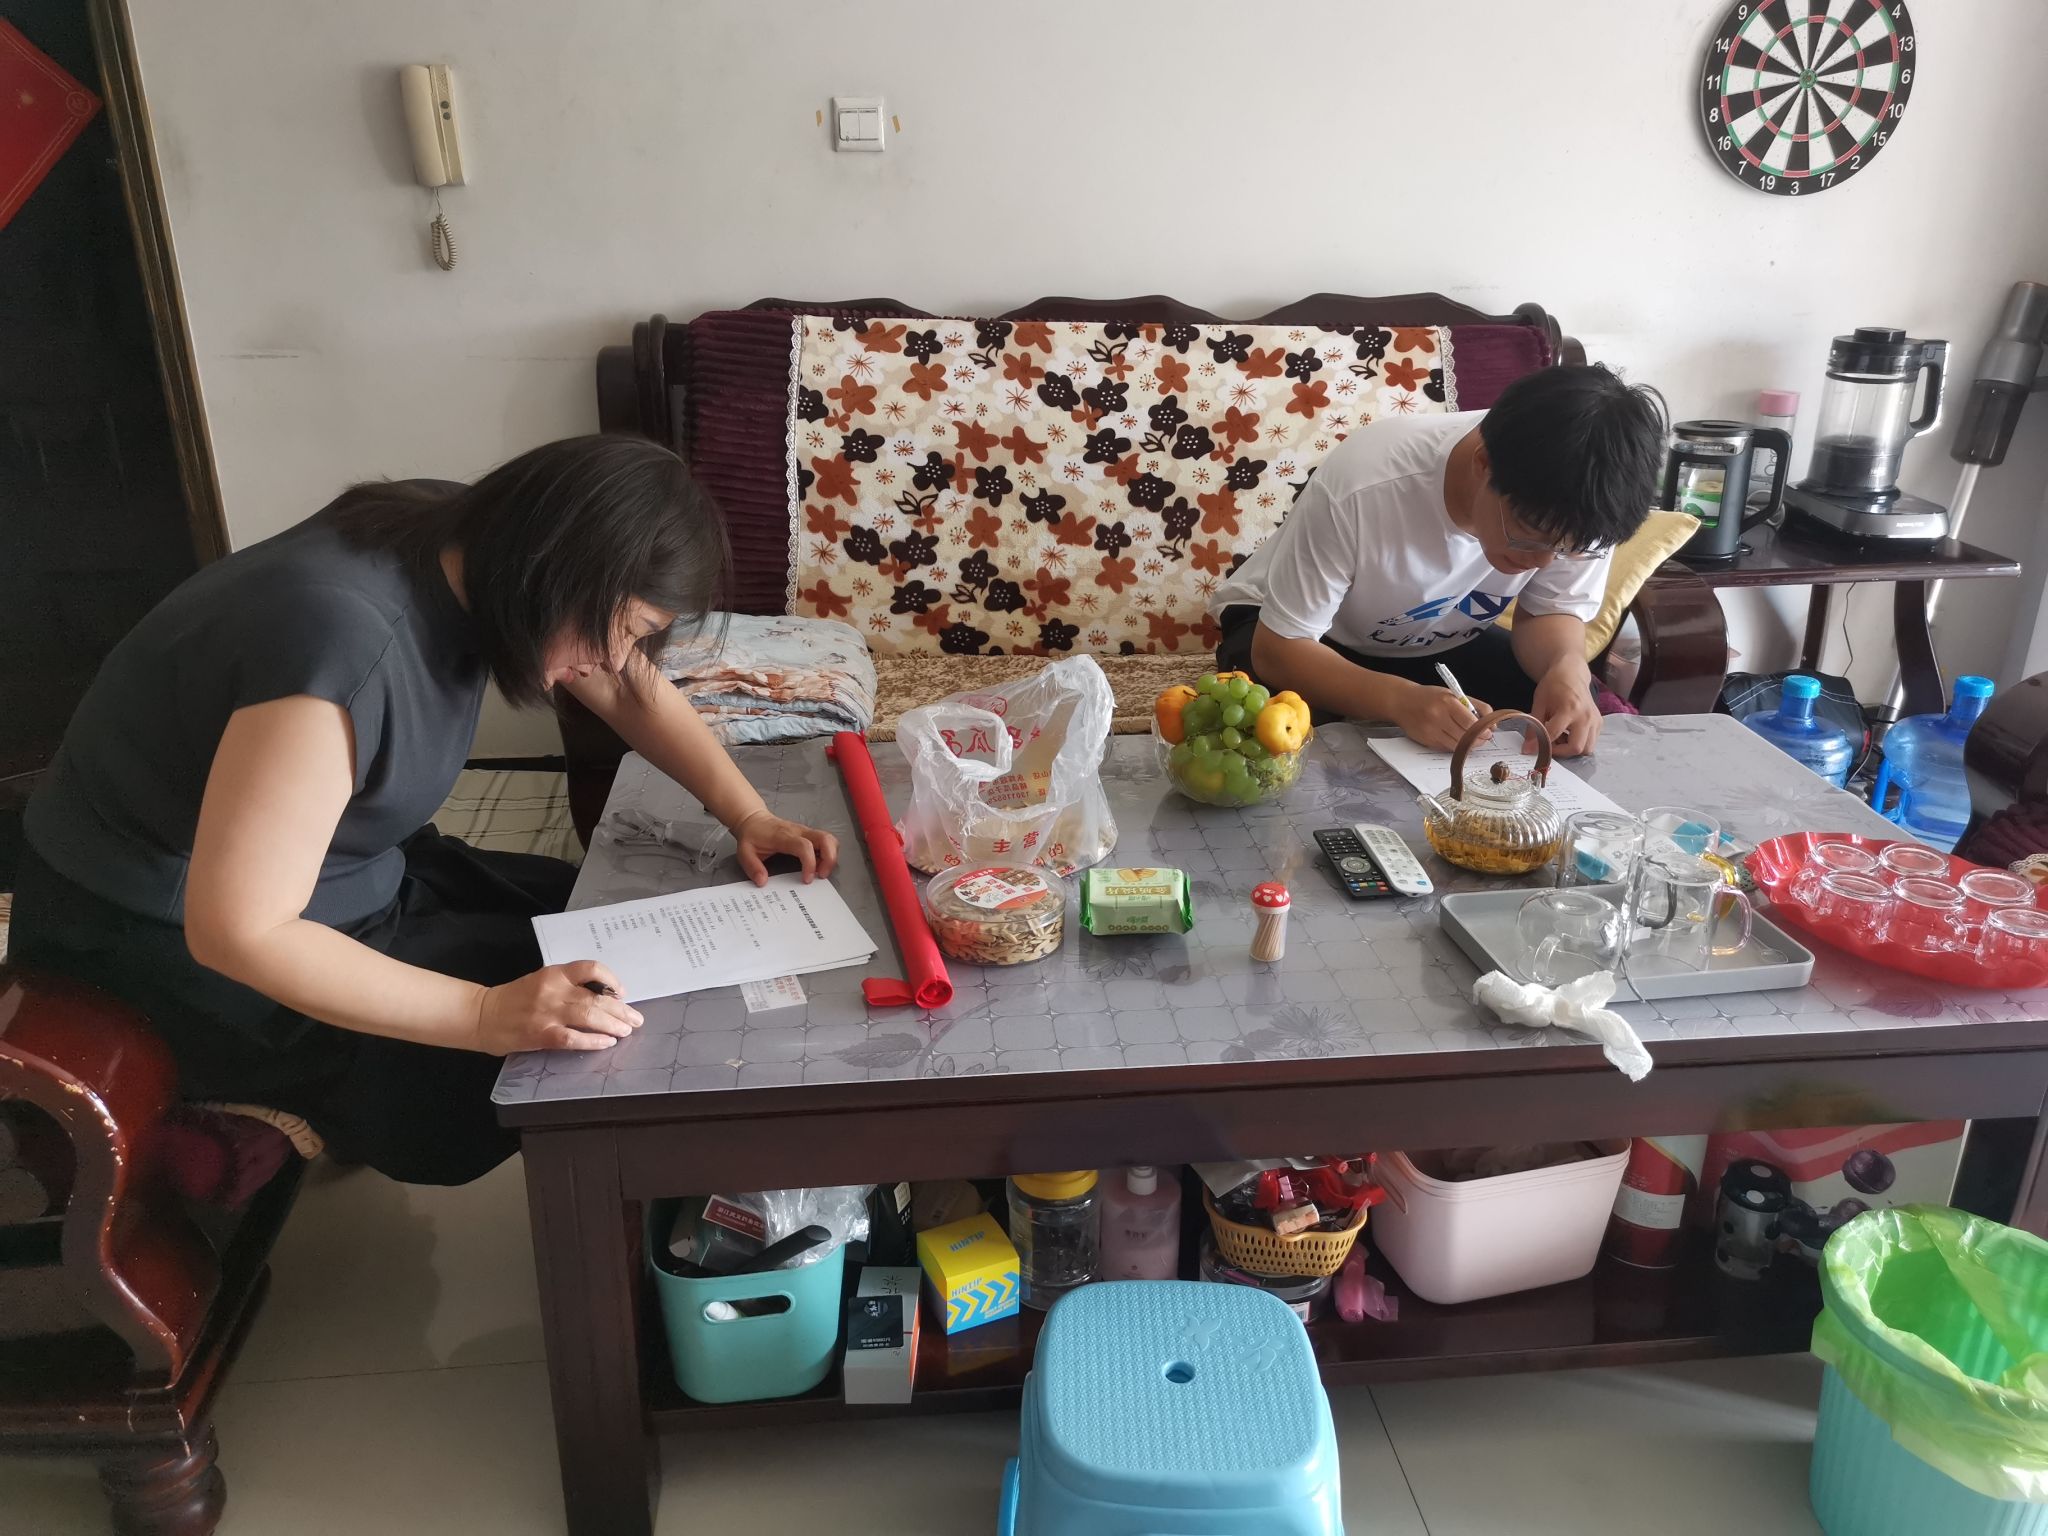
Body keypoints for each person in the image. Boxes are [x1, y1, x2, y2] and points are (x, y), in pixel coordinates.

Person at [10, 435, 837, 1186]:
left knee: (599, 932)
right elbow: (239, 933)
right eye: (622, 628)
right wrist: (484, 1015)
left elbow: (623, 683)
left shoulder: (471, 534)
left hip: (339, 871)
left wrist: (746, 813)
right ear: (554, 574)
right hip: (158, 939)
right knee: (535, 1056)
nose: (616, 658)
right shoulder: (341, 642)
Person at [1211, 364, 1667, 757]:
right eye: (1528, 536)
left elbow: (1550, 610)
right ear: (1483, 465)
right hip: (1291, 634)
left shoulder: (1586, 501)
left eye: (1567, 549)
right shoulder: (1366, 485)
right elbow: (1278, 650)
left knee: (1564, 716)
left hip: (1434, 639)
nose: (1543, 563)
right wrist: (1398, 701)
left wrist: (1565, 667)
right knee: (1298, 742)